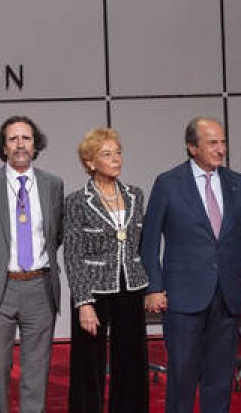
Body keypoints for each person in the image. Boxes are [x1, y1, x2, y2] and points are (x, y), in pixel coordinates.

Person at [141, 117, 241, 413]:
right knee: (182, 375)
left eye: (223, 142)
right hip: (183, 297)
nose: (221, 149)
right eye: (212, 143)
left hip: (227, 295)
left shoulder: (238, 184)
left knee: (219, 378)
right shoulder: (168, 184)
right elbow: (149, 241)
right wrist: (154, 287)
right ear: (192, 147)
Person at [0, 115, 64, 413]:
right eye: (13, 139)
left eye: (26, 138)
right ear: (4, 146)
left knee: (36, 371)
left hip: (39, 286)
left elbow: (56, 234)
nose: (20, 144)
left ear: (36, 145)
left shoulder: (52, 184)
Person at [63, 128, 149, 413]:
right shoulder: (77, 201)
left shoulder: (136, 195)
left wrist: (151, 287)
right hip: (94, 291)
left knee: (132, 361)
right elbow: (74, 254)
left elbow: (142, 246)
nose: (116, 159)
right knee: (89, 365)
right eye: (107, 154)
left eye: (118, 152)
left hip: (131, 288)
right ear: (90, 162)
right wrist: (83, 302)